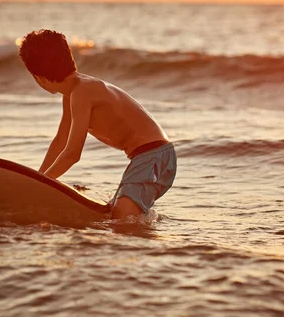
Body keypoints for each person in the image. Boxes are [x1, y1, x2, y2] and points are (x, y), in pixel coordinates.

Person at [18, 29, 176, 219]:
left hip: (153, 156)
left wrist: (42, 186)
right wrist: (38, 178)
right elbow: (61, 141)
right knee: (112, 216)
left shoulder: (82, 93)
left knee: (122, 220)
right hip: (150, 156)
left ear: (39, 78)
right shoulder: (73, 92)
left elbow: (72, 154)